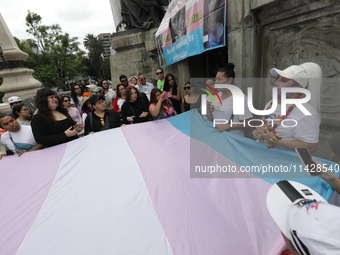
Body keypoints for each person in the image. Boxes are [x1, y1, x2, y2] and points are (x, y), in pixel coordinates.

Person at [253, 62, 322, 152]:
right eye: (277, 79)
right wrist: (259, 134)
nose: (276, 83)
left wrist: (274, 140)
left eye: (284, 80)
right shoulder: (271, 103)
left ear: (298, 87)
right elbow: (266, 126)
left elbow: (311, 146)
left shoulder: (307, 113)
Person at [206, 63, 252, 136]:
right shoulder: (216, 96)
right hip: (218, 137)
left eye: (219, 79)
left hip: (233, 138)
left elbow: (248, 123)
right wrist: (207, 111)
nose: (216, 82)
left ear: (230, 80)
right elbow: (213, 118)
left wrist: (227, 126)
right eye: (216, 79)